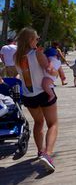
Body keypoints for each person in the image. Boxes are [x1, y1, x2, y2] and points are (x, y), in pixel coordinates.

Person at [14, 27, 58, 172]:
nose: (38, 40)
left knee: (38, 123)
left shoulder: (16, 56)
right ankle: (47, 154)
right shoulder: (37, 54)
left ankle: (40, 151)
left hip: (28, 97)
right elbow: (49, 70)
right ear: (30, 40)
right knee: (53, 124)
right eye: (36, 38)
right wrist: (56, 69)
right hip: (43, 93)